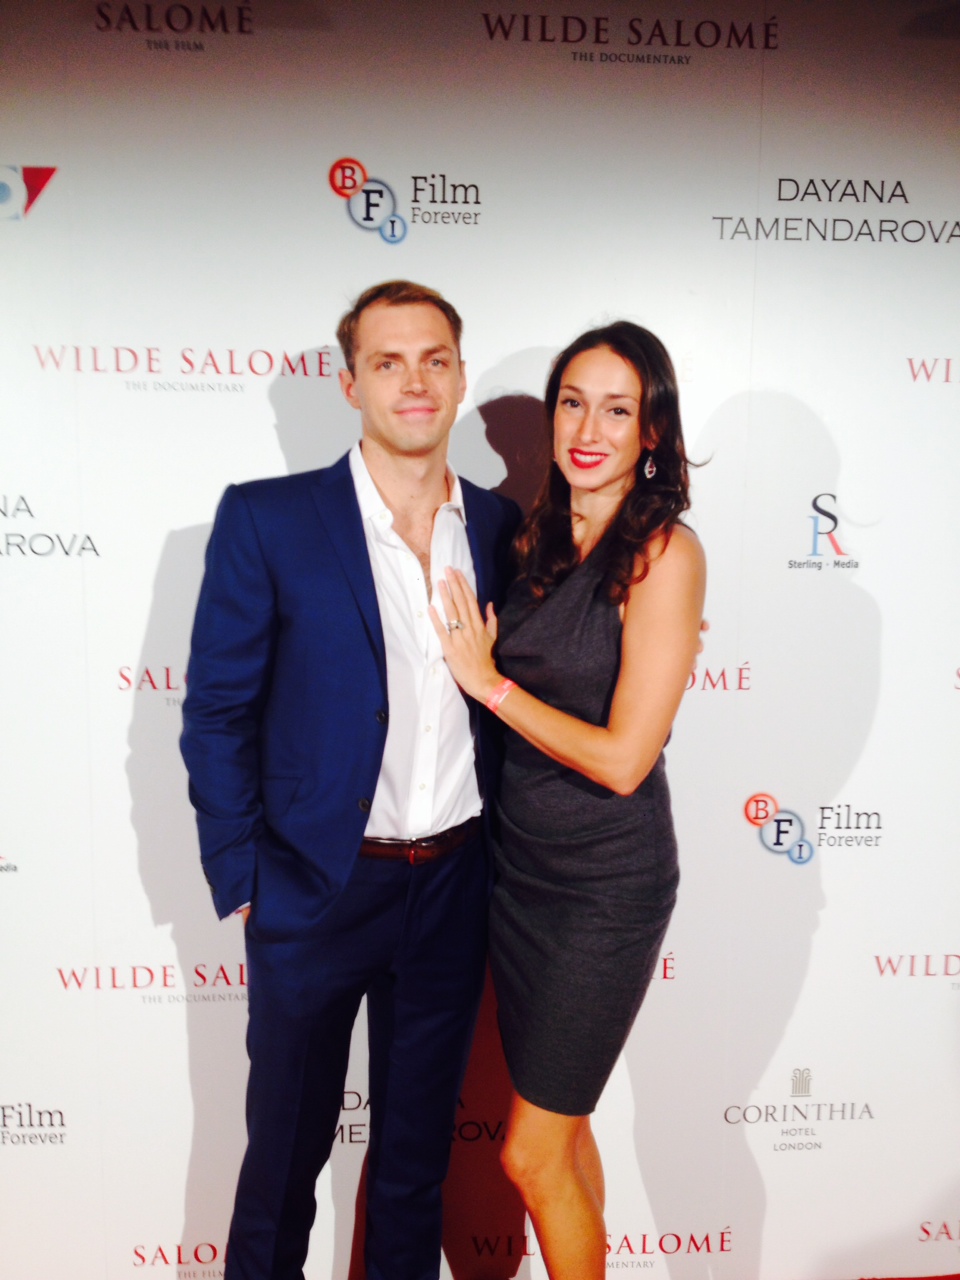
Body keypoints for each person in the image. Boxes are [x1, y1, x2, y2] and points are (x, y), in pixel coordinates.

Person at [179, 280, 520, 1280]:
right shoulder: (269, 520)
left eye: (434, 359)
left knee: (414, 1169)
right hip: (315, 890)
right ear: (349, 382)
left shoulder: (504, 528)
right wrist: (244, 874)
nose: (414, 381)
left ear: (459, 375)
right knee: (285, 1162)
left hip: (456, 887)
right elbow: (216, 712)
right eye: (388, 361)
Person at [431, 322, 706, 1280]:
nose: (589, 426)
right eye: (573, 402)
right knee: (568, 1136)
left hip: (603, 889)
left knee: (527, 1152)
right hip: (520, 879)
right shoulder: (534, 536)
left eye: (618, 408)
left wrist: (490, 684)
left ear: (653, 435)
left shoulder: (664, 555)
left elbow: (628, 759)